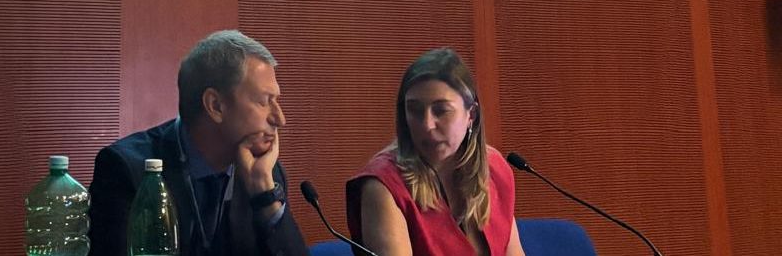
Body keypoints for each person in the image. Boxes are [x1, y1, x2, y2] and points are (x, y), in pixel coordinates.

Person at [88, 30, 308, 256]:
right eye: (264, 101)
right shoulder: (126, 170)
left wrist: (265, 197)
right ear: (215, 106)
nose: (280, 119)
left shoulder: (264, 172)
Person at [346, 48, 526, 256]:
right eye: (414, 110)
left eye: (441, 110)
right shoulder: (384, 185)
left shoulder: (494, 168)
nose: (427, 125)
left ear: (472, 115)